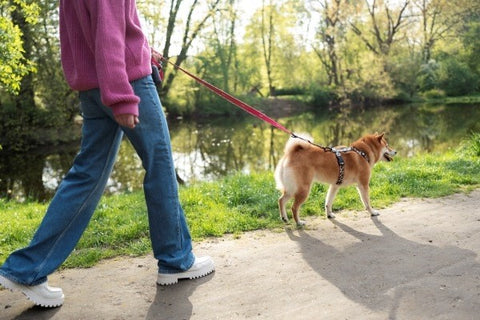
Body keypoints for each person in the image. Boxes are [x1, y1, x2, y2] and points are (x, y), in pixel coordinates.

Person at [0, 0, 214, 308]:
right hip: (126, 83)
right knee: (160, 165)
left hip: (92, 86)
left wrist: (141, 50)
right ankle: (176, 260)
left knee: (87, 175)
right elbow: (109, 35)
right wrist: (122, 97)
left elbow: (96, 30)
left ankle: (26, 268)